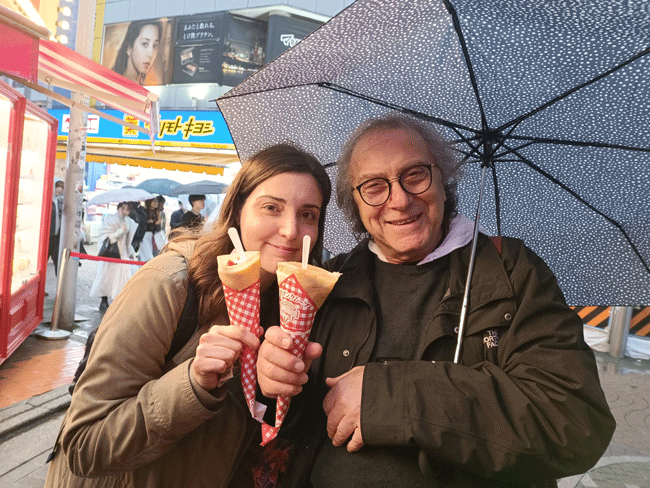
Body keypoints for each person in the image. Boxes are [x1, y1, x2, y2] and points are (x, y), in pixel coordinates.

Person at [257, 114, 616, 488]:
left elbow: (572, 424)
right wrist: (272, 385)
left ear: (443, 182)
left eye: (415, 176)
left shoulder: (511, 272)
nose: (400, 200)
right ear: (355, 204)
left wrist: (390, 397)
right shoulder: (327, 282)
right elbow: (281, 426)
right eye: (374, 187)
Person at [44, 143, 331, 488]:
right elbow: (83, 446)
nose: (290, 230)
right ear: (238, 210)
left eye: (308, 214)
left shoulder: (296, 310)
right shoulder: (171, 284)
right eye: (272, 207)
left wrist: (282, 394)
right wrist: (192, 384)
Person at [89, 202, 138, 312]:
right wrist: (120, 231)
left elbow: (127, 240)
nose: (125, 211)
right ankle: (104, 300)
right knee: (106, 277)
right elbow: (106, 237)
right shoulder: (111, 219)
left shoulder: (129, 222)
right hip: (110, 253)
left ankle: (119, 301)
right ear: (118, 208)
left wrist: (130, 252)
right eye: (123, 208)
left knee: (123, 277)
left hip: (123, 254)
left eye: (127, 209)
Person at [112, 20, 162, 85]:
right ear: (129, 47)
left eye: (155, 45)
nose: (151, 54)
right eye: (145, 44)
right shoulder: (110, 81)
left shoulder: (151, 84)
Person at [137, 198, 162, 262]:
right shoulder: (144, 211)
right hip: (145, 236)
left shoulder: (156, 212)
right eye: (154, 201)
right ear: (149, 202)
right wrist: (154, 223)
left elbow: (158, 227)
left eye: (157, 202)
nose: (156, 203)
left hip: (153, 237)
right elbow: (143, 225)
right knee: (146, 255)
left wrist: (156, 223)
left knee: (154, 255)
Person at [48, 179, 64, 276]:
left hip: (57, 236)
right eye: (57, 190)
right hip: (48, 236)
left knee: (57, 259)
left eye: (60, 191)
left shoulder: (60, 201)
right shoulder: (47, 201)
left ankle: (59, 281)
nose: (58, 193)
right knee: (43, 260)